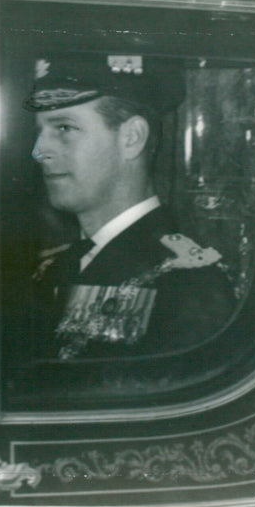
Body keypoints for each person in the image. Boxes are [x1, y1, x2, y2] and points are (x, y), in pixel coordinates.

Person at [21, 57, 235, 387]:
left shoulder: (187, 287)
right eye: (40, 132)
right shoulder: (53, 267)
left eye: (64, 128)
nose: (39, 151)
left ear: (132, 138)